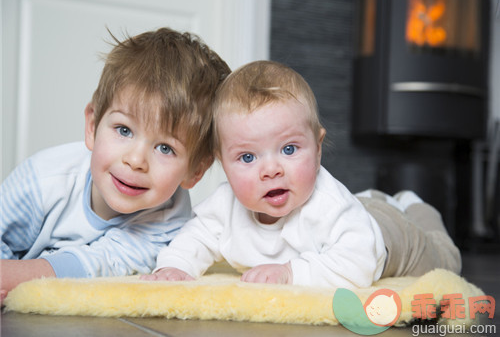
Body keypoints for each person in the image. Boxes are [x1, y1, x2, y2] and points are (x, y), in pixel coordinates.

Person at [141, 60, 461, 288]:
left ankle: (416, 207)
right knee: (360, 209)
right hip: (357, 212)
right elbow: (195, 237)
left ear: (318, 148)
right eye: (248, 157)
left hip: (392, 239)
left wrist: (292, 273)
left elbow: (360, 264)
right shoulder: (225, 207)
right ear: (222, 164)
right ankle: (375, 199)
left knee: (444, 261)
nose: (271, 169)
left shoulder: (329, 205)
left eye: (289, 150)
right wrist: (175, 267)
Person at [0, 27, 231, 302]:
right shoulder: (41, 180)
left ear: (195, 171)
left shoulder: (170, 223)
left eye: (165, 148)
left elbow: (96, 265)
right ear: (93, 125)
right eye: (123, 130)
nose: (135, 161)